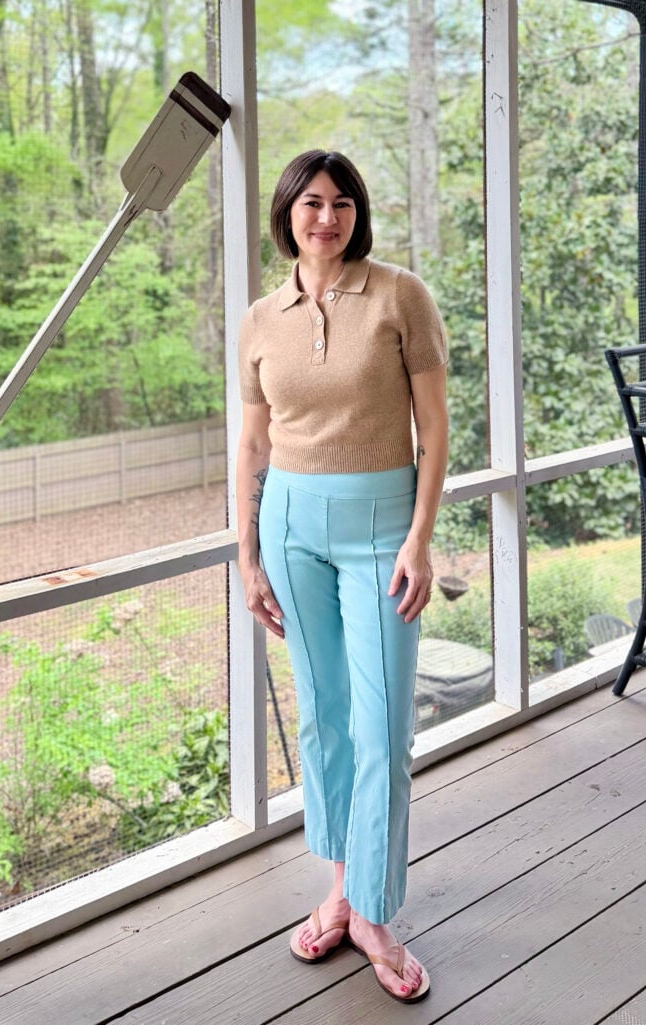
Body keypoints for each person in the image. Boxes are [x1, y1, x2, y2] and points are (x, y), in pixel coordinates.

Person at [235, 150, 448, 1004]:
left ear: (357, 214)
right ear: (286, 213)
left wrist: (419, 539)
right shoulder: (260, 318)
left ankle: (375, 912)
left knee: (383, 724)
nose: (327, 218)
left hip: (382, 526)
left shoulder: (400, 296)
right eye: (311, 203)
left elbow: (434, 428)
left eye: (342, 204)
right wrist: (247, 551)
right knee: (322, 717)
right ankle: (340, 890)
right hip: (289, 526)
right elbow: (253, 442)